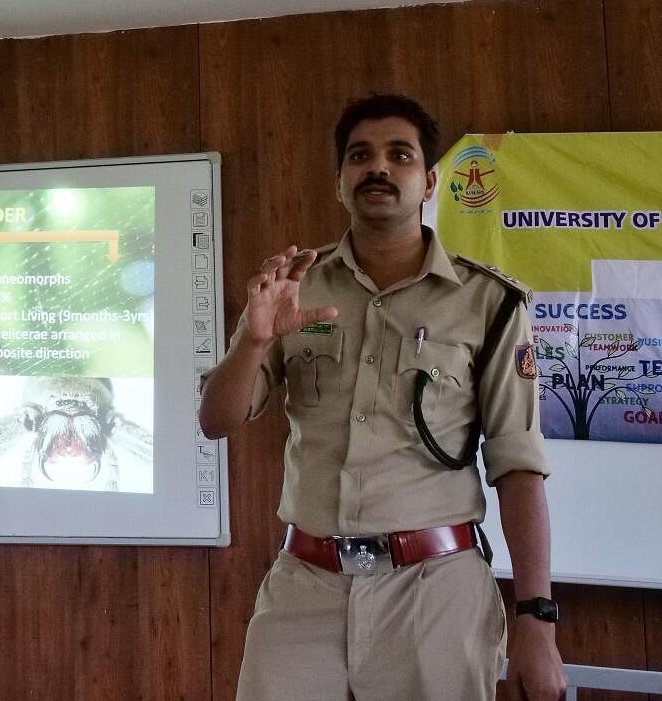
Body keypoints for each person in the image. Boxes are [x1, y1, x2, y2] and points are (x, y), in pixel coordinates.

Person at [199, 94, 566, 701]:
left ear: (429, 181)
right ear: (340, 180)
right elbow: (217, 419)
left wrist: (537, 618)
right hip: (304, 590)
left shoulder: (488, 302)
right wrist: (253, 341)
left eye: (400, 155)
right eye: (360, 156)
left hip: (435, 590)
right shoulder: (293, 289)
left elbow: (518, 466)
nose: (379, 168)